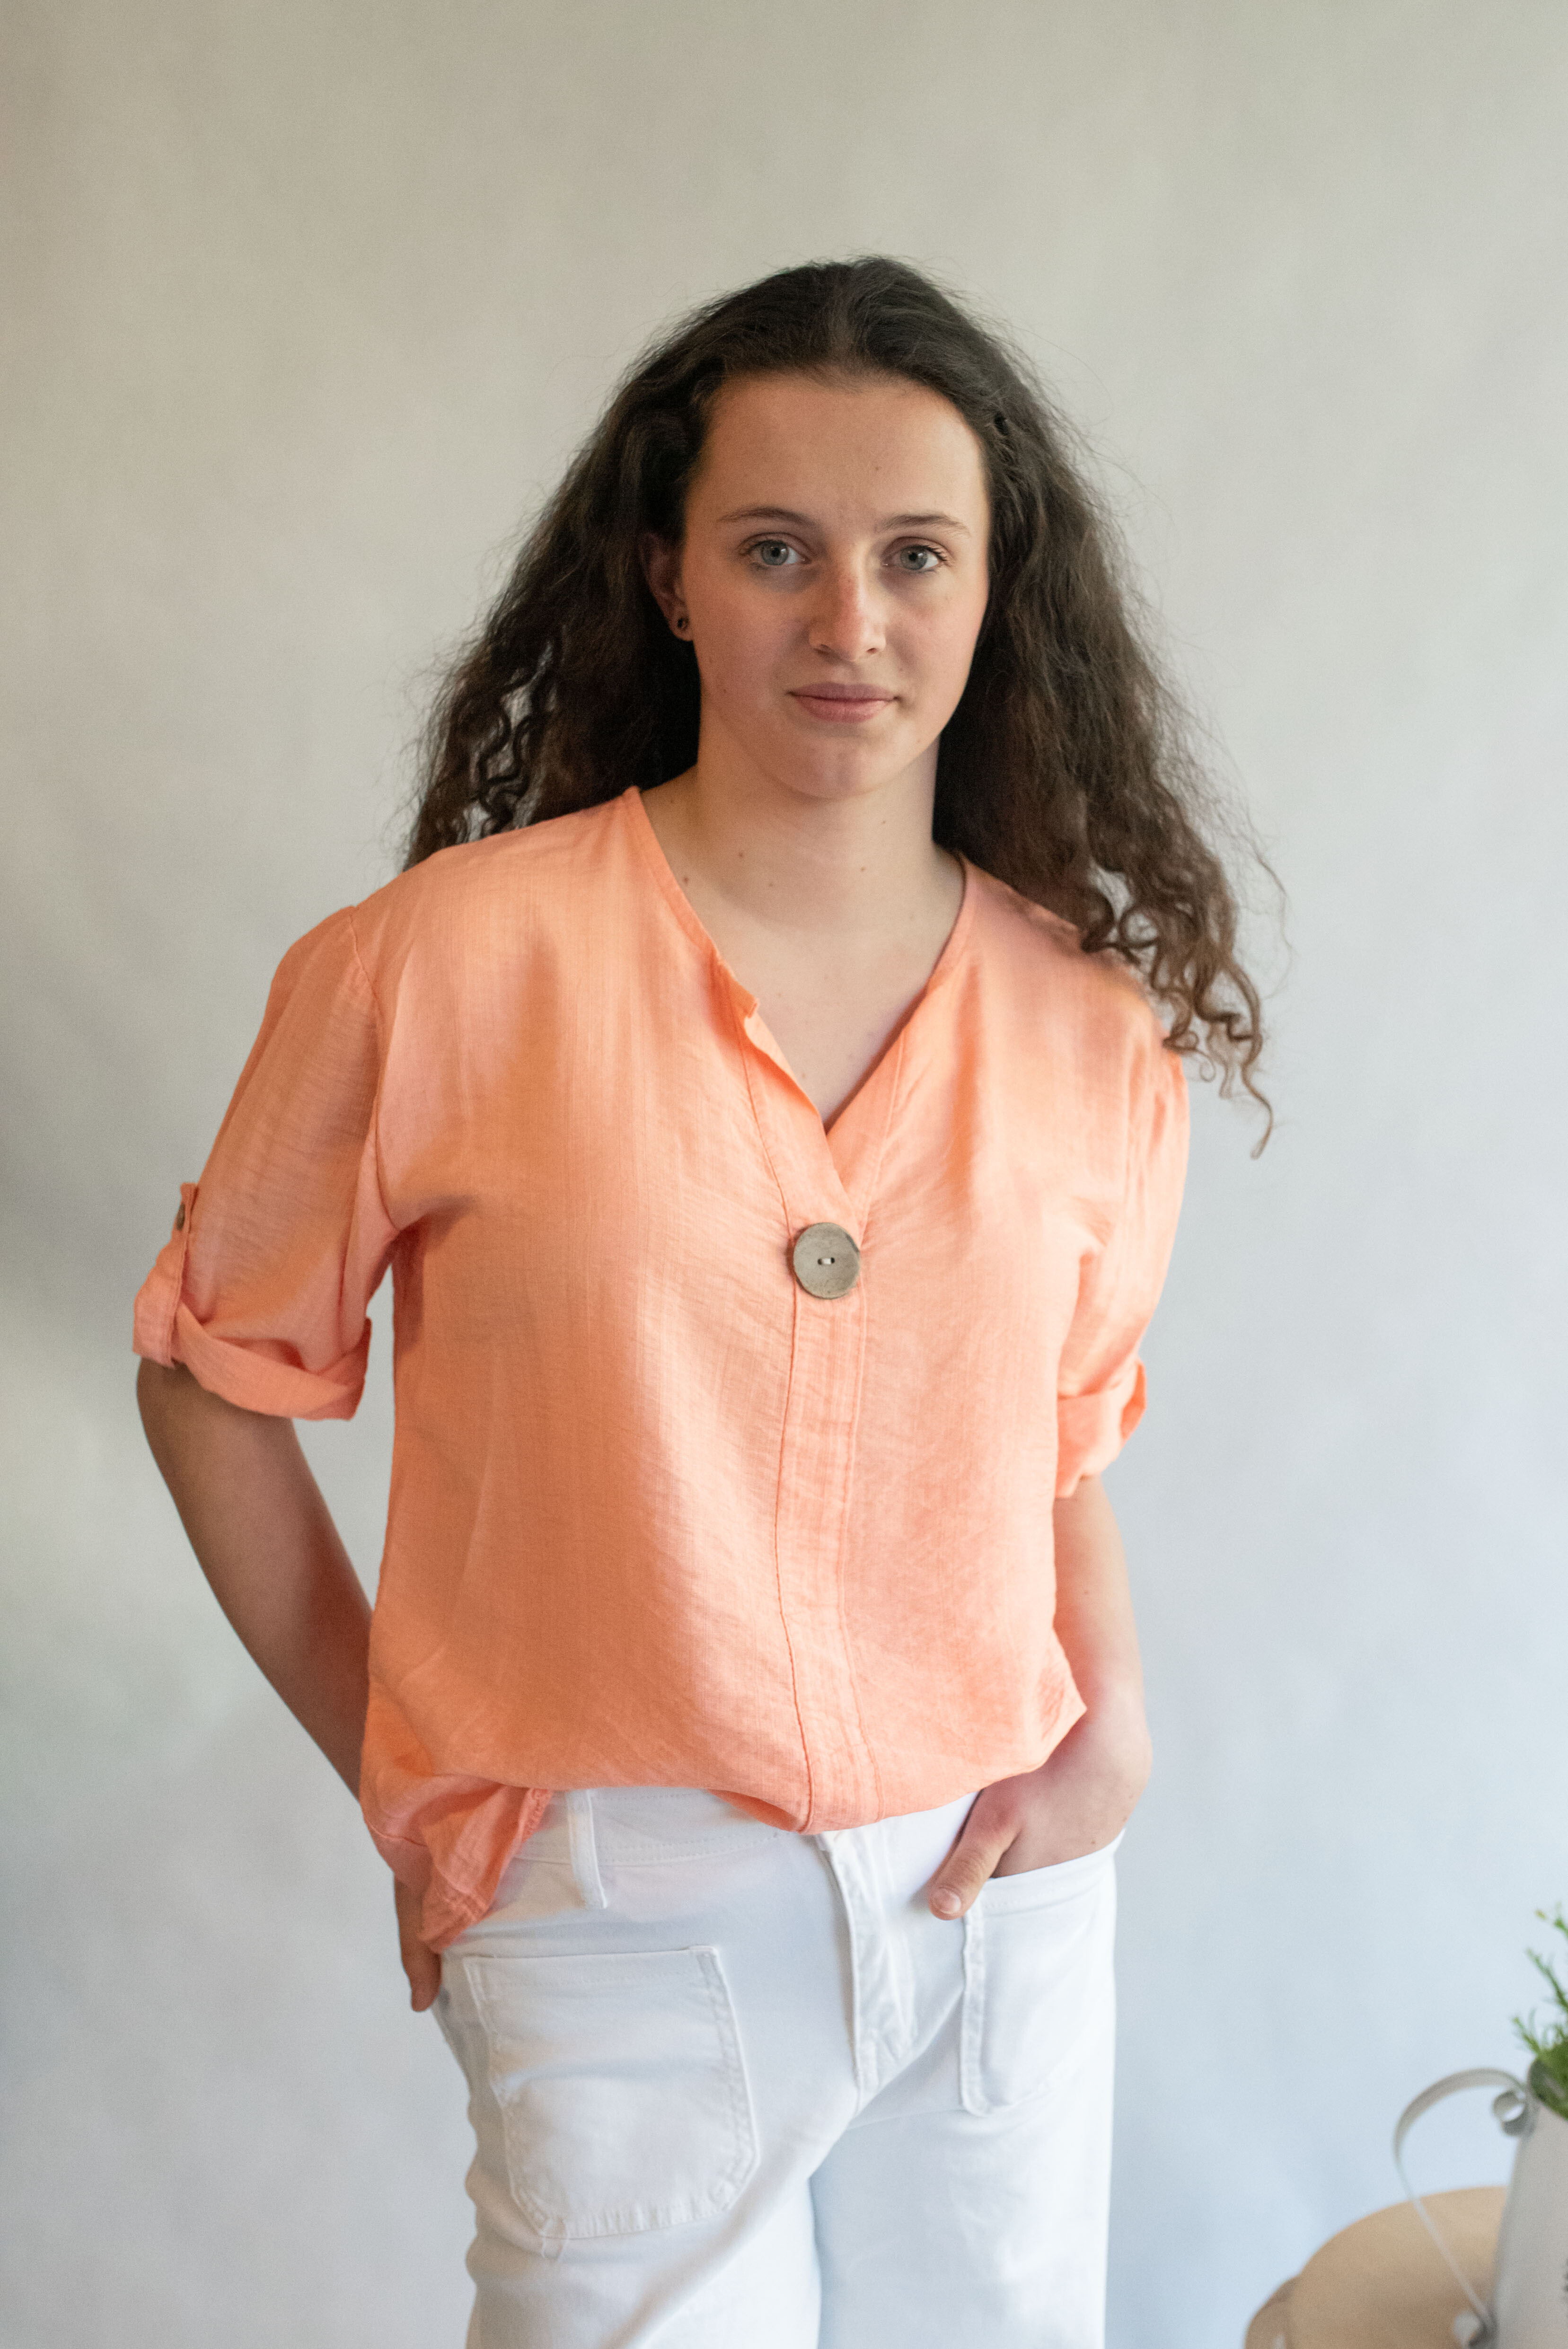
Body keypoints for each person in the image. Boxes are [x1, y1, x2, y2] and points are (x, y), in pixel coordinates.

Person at [134, 255, 1266, 2348]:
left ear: (994, 591)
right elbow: (216, 1378)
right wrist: (413, 1778)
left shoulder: (1088, 1031)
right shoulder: (437, 967)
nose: (850, 621)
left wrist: (1107, 1734)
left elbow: (1056, 1445)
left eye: (914, 554)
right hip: (612, 1913)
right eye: (774, 549)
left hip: (997, 1898)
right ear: (667, 575)